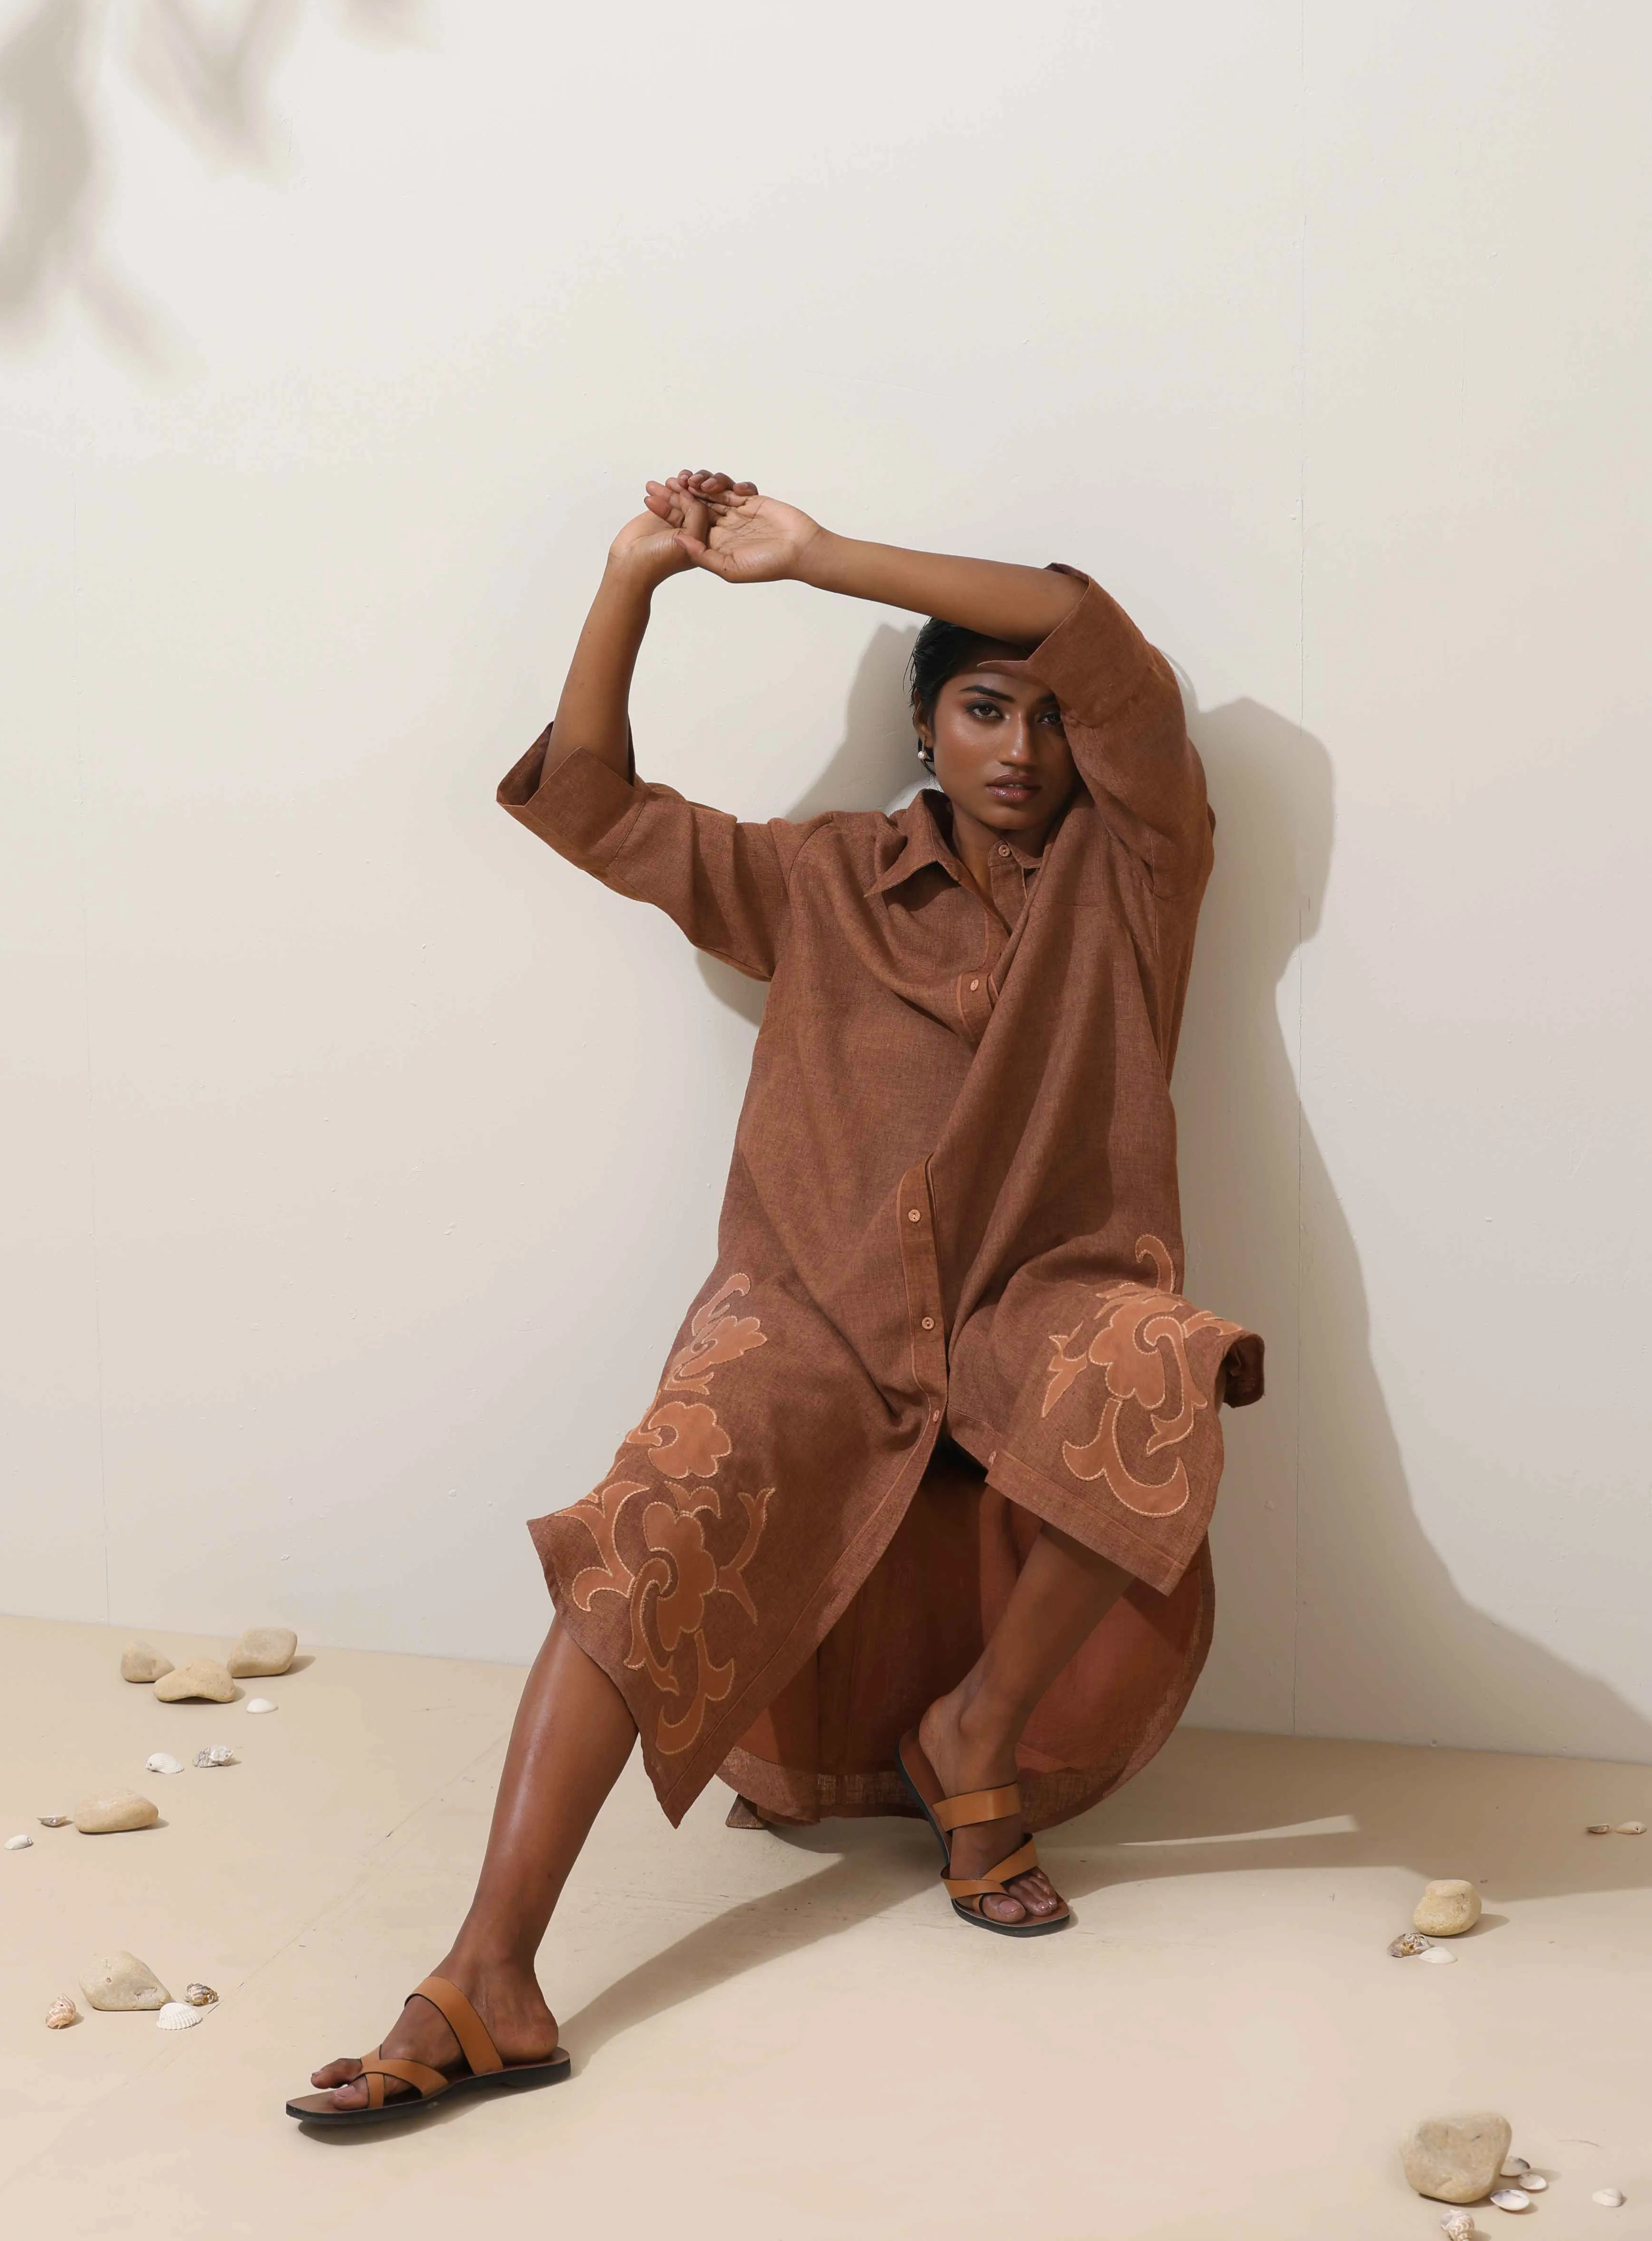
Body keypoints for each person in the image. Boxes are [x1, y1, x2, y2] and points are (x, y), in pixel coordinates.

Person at [288, 472, 1263, 2126]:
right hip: (816, 1320)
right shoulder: (819, 881)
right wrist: (632, 579)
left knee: (1161, 1359)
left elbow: (1089, 633)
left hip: (1042, 1302)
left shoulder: (1141, 871)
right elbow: (591, 801)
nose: (1022, 747)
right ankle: (489, 1971)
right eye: (981, 708)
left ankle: (978, 1735)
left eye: (1047, 716)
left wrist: (814, 560)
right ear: (924, 725)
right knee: (653, 1512)